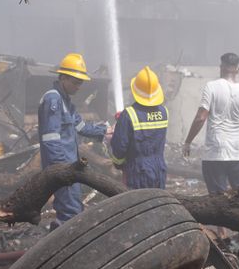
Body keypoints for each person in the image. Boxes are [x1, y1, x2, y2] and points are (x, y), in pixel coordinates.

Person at [39, 53, 108, 228]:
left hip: (70, 167)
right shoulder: (53, 99)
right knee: (70, 212)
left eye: (81, 82)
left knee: (72, 209)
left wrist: (105, 131)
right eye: (76, 82)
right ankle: (63, 248)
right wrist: (61, 170)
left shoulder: (65, 102)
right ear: (63, 78)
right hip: (63, 167)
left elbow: (81, 126)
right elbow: (50, 139)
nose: (79, 86)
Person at [183, 53, 239, 194]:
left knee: (218, 199)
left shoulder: (211, 87)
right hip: (237, 155)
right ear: (237, 69)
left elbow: (201, 118)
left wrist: (188, 142)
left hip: (214, 154)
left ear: (221, 67)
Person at [109, 66, 169, 189]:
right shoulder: (164, 112)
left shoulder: (129, 114)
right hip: (159, 168)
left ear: (134, 91)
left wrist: (118, 164)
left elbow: (119, 147)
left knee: (139, 205)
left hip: (137, 171)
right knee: (158, 203)